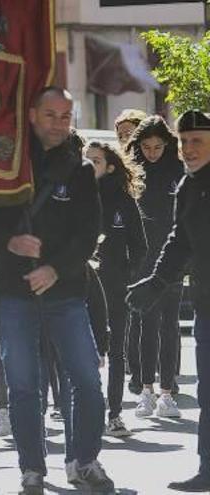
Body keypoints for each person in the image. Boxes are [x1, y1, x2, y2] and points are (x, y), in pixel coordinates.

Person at [0, 87, 113, 493]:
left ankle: (84, 460)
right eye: (50, 115)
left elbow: (90, 234)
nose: (58, 124)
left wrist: (55, 268)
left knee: (86, 381)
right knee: (23, 386)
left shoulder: (82, 170)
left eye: (65, 116)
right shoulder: (4, 165)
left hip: (65, 289)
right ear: (32, 115)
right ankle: (32, 469)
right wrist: (9, 242)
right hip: (12, 291)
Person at [127, 109, 210, 492]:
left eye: (198, 141)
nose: (190, 149)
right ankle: (207, 469)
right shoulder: (189, 186)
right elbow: (179, 241)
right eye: (186, 141)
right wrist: (156, 281)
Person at [85, 141, 147, 437]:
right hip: (81, 286)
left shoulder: (124, 201)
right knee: (84, 352)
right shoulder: (77, 197)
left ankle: (115, 414)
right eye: (86, 160)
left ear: (110, 166)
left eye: (95, 161)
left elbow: (140, 246)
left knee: (117, 352)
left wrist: (126, 274)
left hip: (116, 286)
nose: (88, 165)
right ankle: (86, 413)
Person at [127, 116, 186, 417]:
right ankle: (146, 390)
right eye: (146, 146)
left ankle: (167, 391)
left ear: (167, 144)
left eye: (157, 146)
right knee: (146, 324)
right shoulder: (131, 172)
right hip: (142, 258)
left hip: (172, 257)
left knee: (169, 323)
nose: (152, 152)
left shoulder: (179, 170)